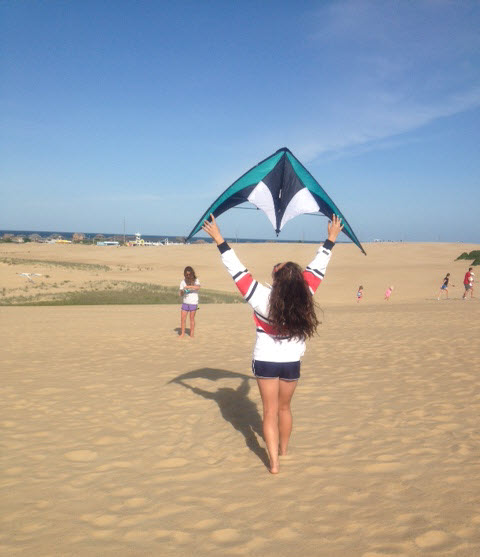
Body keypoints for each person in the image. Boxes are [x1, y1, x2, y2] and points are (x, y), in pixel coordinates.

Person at [202, 213, 343, 474]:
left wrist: (219, 238)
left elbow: (236, 269)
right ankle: (283, 451)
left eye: (276, 269)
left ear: (277, 281)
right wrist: (331, 238)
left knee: (269, 412)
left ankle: (274, 464)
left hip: (266, 361)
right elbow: (319, 264)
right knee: (284, 408)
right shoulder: (305, 294)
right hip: (290, 363)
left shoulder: (260, 297)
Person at [179, 266, 200, 338]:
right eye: (186, 274)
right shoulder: (182, 282)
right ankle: (182, 334)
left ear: (192, 274)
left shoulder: (196, 280)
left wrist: (189, 287)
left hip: (193, 302)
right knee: (182, 318)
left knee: (191, 318)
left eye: (189, 274)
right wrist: (181, 292)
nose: (188, 276)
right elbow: (181, 293)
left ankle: (192, 334)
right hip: (185, 302)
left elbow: (198, 287)